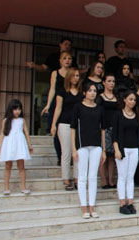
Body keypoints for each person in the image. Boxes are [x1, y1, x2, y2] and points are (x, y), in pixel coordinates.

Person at [70, 83, 106, 219]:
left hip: (96, 146)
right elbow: (73, 128)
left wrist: (103, 149)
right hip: (82, 146)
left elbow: (102, 129)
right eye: (90, 90)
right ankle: (84, 208)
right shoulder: (78, 107)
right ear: (84, 92)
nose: (92, 93)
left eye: (94, 91)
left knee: (92, 177)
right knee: (82, 177)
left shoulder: (100, 109)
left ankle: (92, 207)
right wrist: (74, 148)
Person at [113, 90, 139, 215]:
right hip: (122, 149)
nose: (133, 102)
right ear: (124, 100)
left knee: (130, 176)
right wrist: (116, 149)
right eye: (131, 99)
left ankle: (130, 202)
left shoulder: (137, 115)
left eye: (134, 100)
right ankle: (122, 204)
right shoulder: (118, 114)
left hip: (135, 149)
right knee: (122, 176)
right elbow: (114, 134)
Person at [50, 68, 83, 191]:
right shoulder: (62, 91)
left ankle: (77, 179)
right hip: (64, 123)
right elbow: (58, 108)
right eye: (74, 75)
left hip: (78, 124)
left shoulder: (81, 92)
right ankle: (66, 179)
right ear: (69, 77)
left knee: (78, 153)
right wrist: (53, 124)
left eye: (78, 75)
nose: (76, 78)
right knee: (66, 152)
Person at [0, 99, 33, 195]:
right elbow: (2, 133)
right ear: (11, 109)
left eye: (19, 109)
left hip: (20, 144)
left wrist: (29, 145)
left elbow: (26, 133)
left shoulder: (22, 120)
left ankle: (23, 187)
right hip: (9, 144)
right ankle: (6, 188)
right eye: (15, 109)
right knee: (8, 166)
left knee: (21, 166)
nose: (17, 111)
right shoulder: (6, 120)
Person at [97, 74, 118, 189]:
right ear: (104, 82)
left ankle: (111, 180)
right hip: (103, 128)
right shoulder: (99, 97)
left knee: (112, 156)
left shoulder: (117, 97)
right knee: (103, 155)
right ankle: (104, 181)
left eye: (113, 81)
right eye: (109, 81)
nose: (111, 83)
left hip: (114, 128)